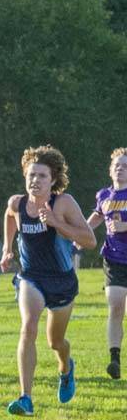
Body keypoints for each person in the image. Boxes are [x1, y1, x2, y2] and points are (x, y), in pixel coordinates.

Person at [0, 145, 95, 416]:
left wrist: (56, 223)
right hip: (31, 278)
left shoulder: (63, 203)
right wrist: (7, 248)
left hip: (62, 281)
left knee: (56, 343)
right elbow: (9, 217)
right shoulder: (17, 203)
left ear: (53, 180)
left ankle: (66, 368)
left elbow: (89, 240)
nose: (35, 181)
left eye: (42, 176)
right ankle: (25, 399)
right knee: (28, 327)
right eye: (31, 175)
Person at [81, 147, 127, 379]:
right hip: (114, 258)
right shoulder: (104, 196)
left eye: (125, 166)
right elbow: (97, 216)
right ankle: (114, 360)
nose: (120, 169)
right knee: (116, 304)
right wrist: (81, 234)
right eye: (116, 165)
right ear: (110, 170)